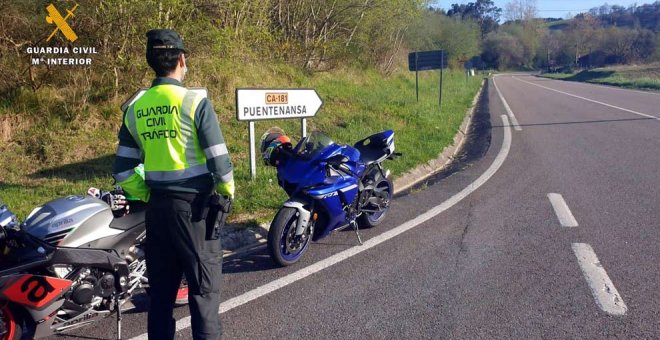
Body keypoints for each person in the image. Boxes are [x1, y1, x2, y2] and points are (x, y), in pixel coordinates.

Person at [112, 29, 234, 340]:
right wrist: (225, 193)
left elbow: (123, 171)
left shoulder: (135, 109)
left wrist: (147, 193)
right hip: (195, 213)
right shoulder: (195, 102)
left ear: (151, 61)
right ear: (181, 59)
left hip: (158, 212)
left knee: (161, 300)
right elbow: (219, 162)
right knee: (203, 296)